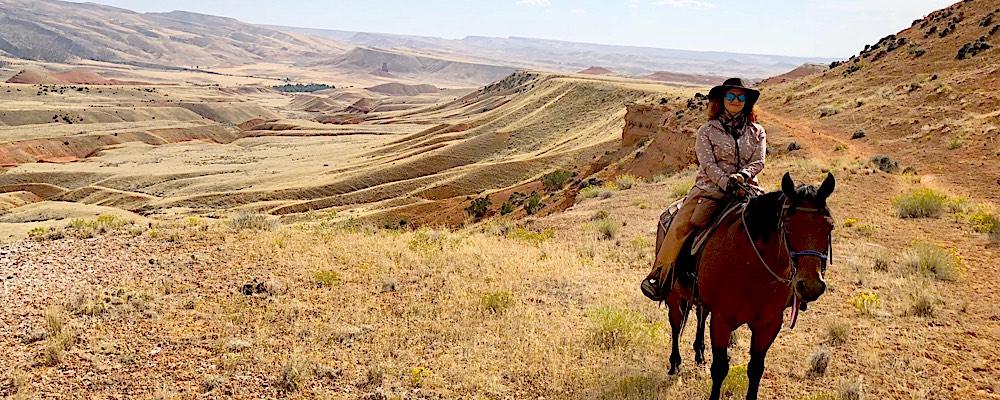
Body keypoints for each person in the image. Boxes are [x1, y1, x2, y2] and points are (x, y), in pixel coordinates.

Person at [641, 77, 767, 301]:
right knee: (681, 226)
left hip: (747, 189)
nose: (736, 100)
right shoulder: (707, 131)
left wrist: (743, 176)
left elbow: (759, 161)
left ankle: (790, 287)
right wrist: (726, 181)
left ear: (747, 101)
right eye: (731, 95)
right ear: (722, 99)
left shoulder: (757, 132)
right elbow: (707, 164)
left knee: (778, 222)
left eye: (741, 96)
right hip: (710, 189)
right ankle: (660, 276)